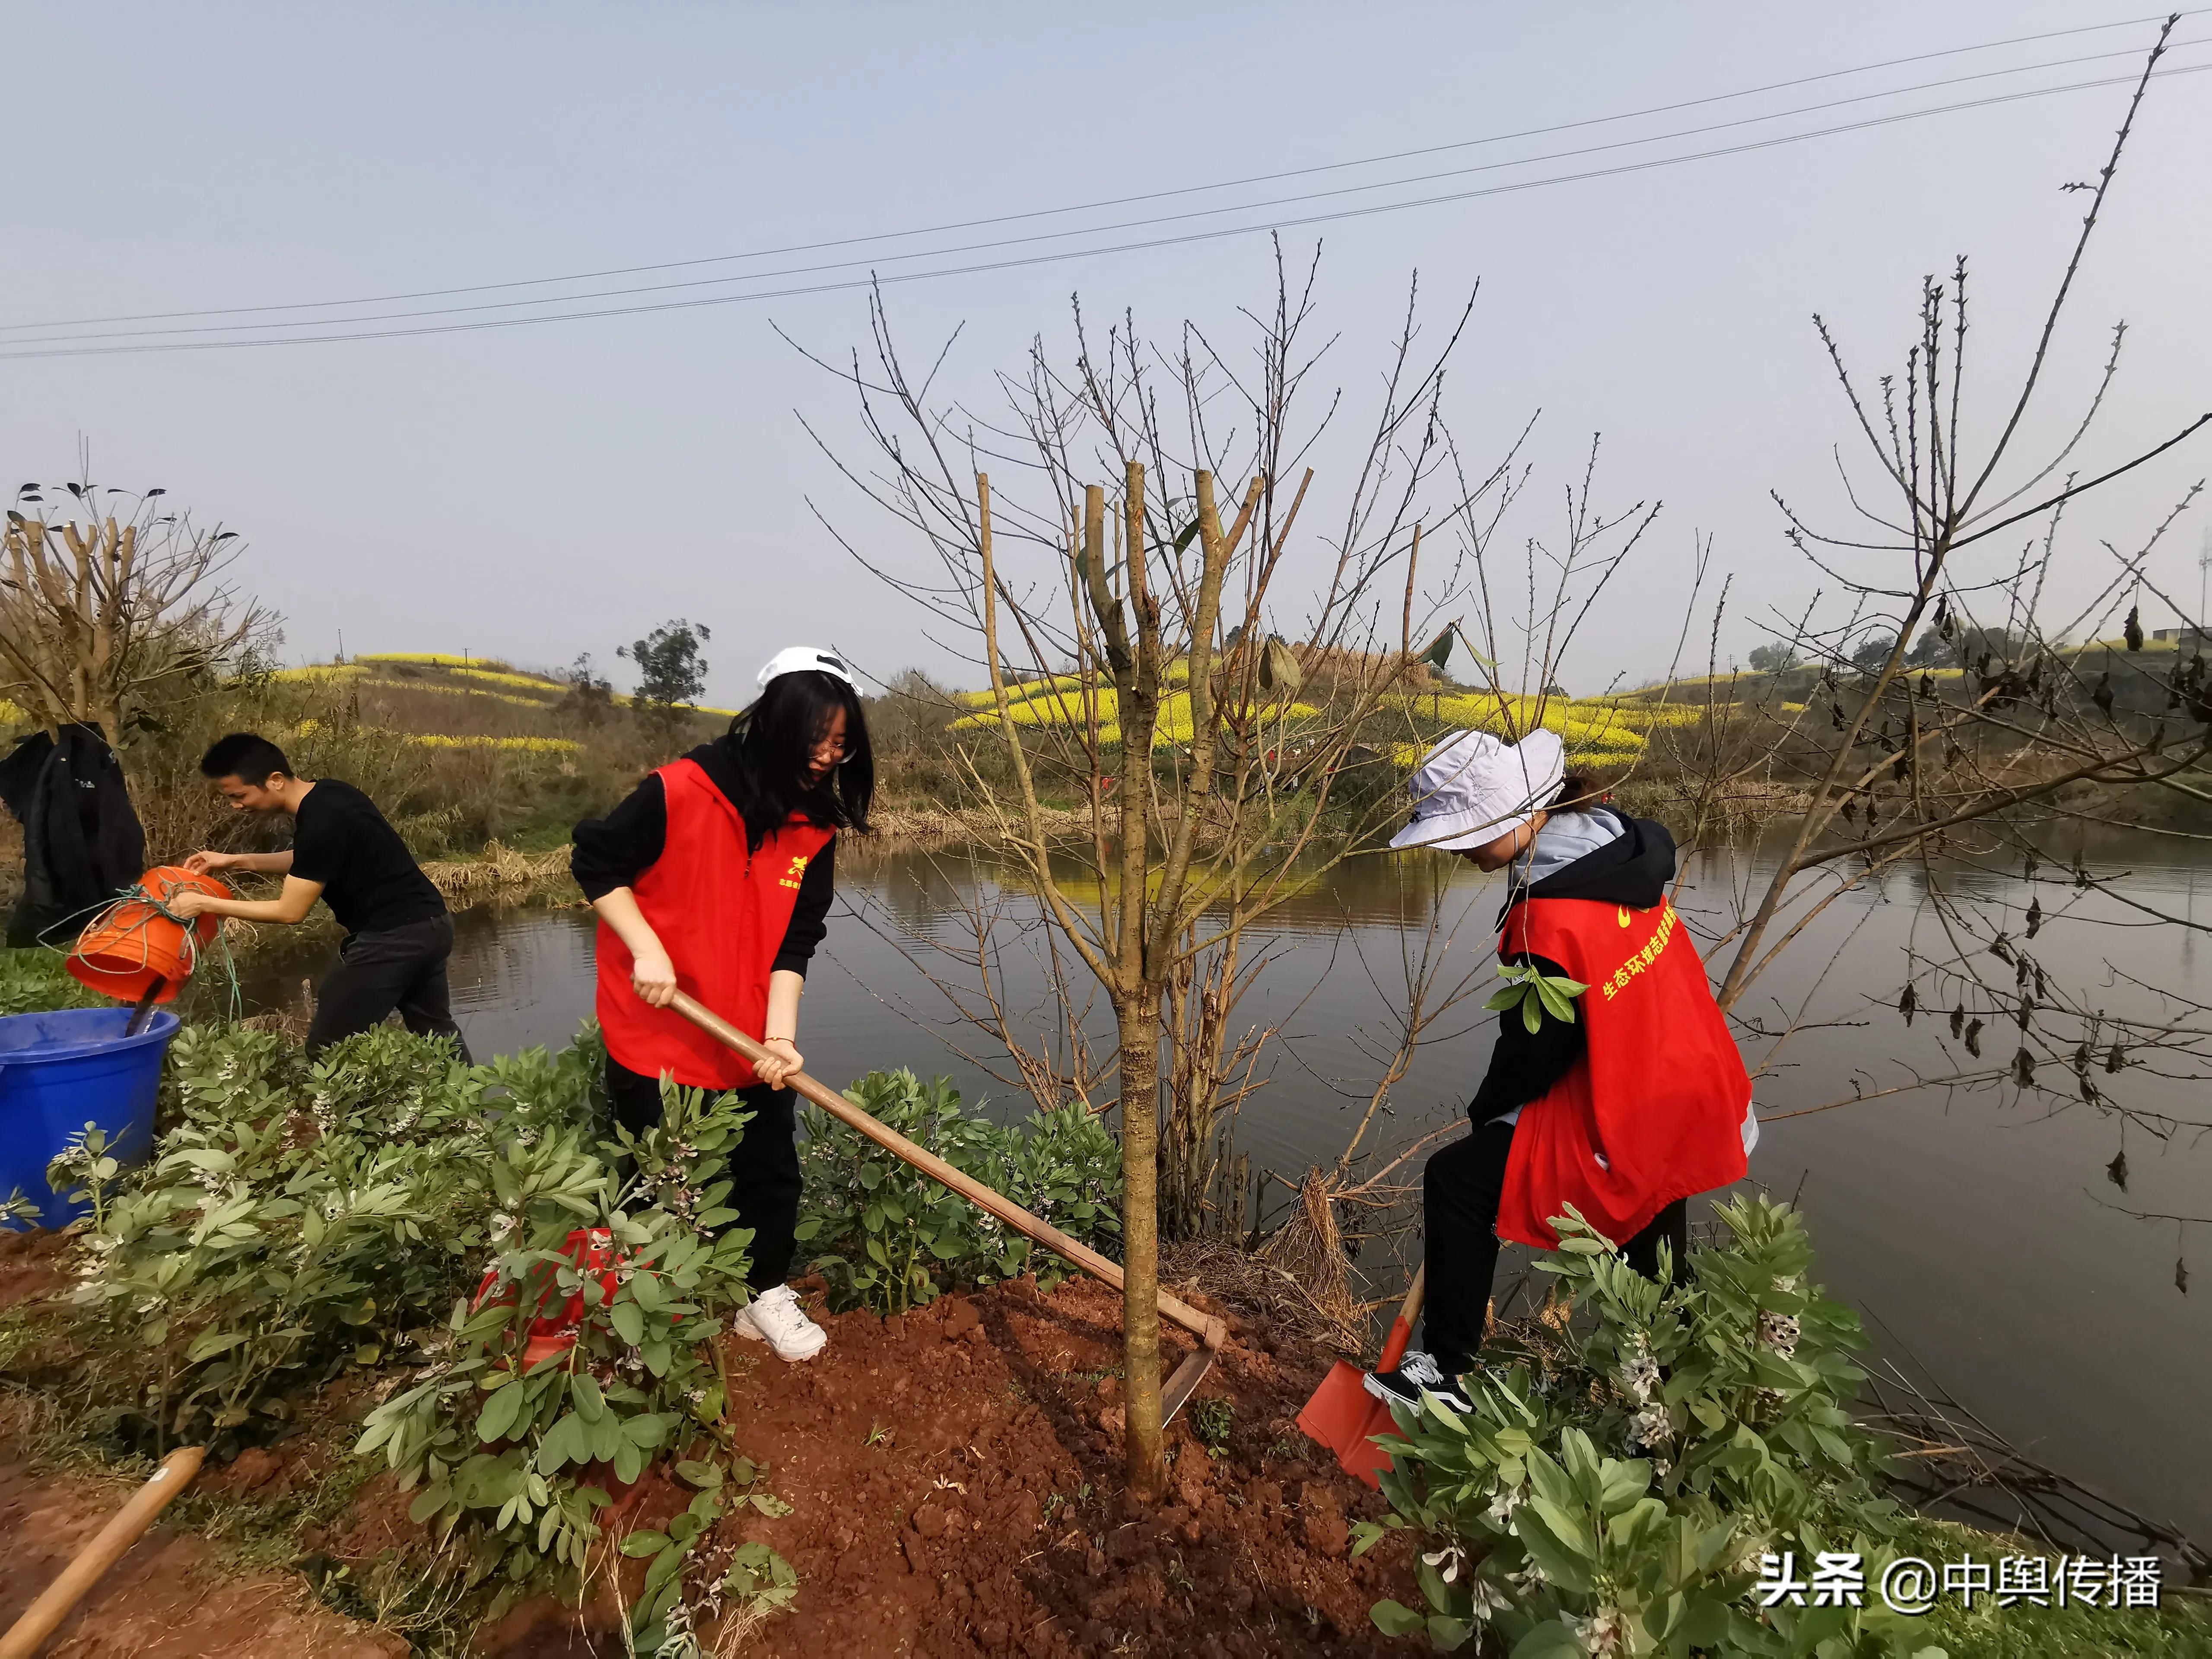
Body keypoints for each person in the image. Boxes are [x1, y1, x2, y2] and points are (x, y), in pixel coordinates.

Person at [1366, 727, 1756, 1411]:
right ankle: (1680, 1412)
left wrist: (1489, 1110)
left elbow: (1531, 1052)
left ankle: (1449, 1373)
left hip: (1634, 1100)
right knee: (1652, 1262)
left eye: (1461, 834)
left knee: (1459, 1180)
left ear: (1510, 819)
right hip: (1692, 1082)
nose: (1456, 850)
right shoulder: (1611, 848)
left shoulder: (1543, 917)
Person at [570, 645, 870, 1364]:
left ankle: (762, 1295)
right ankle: (649, 1318)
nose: (830, 757)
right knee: (659, 1174)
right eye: (817, 740)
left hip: (746, 1036)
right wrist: (645, 945)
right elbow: (595, 860)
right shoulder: (679, 791)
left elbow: (797, 940)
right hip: (657, 1025)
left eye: (841, 743)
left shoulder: (814, 825)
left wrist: (781, 1038)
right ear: (773, 724)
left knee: (770, 1171)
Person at [170, 732, 470, 1059]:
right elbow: (312, 859)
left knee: (329, 1048)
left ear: (275, 780)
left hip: (393, 937)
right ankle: (468, 1107)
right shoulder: (331, 794)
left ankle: (339, 1110)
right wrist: (235, 861)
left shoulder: (321, 822)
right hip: (431, 925)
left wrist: (203, 903)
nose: (236, 806)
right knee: (436, 1033)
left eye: (240, 795)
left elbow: (290, 912)